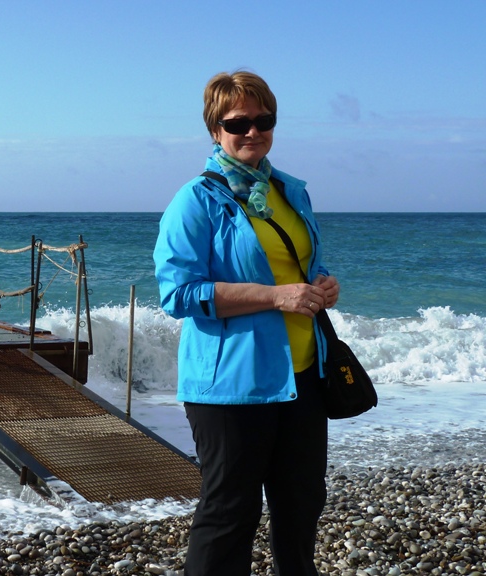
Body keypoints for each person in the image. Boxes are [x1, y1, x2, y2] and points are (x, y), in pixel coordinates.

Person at [152, 70, 341, 576]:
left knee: (301, 509)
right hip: (230, 387)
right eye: (238, 123)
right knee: (230, 512)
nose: (252, 132)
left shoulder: (290, 191)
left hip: (302, 376)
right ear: (215, 129)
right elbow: (178, 293)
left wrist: (321, 285)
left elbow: (299, 267)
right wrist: (275, 297)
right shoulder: (196, 200)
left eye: (264, 120)